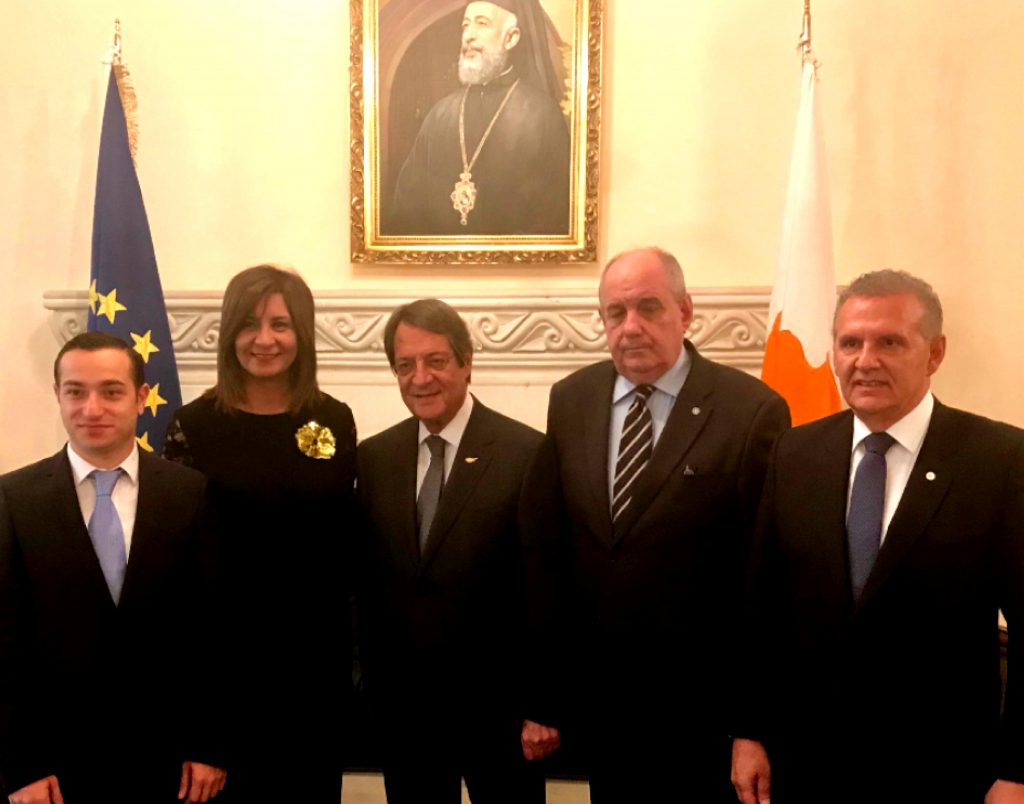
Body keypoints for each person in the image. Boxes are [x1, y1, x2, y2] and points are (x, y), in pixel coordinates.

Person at [731, 270, 1024, 804]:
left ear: (935, 353)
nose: (865, 361)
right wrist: (749, 732)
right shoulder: (794, 453)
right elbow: (762, 609)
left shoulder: (999, 459)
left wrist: (1017, 772)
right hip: (810, 765)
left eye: (889, 342)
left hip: (945, 771)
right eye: (850, 343)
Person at [521, 247, 790, 802]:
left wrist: (752, 724)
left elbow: (765, 580)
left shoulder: (750, 411)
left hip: (704, 717)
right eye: (615, 313)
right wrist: (546, 693)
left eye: (649, 307)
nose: (631, 327)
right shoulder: (571, 399)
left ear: (684, 311)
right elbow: (551, 552)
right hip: (604, 707)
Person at [0, 333, 226, 804]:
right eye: (75, 391)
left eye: (111, 391)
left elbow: (212, 630)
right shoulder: (13, 499)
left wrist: (208, 744)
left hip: (169, 763)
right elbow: (4, 640)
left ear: (141, 398)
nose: (92, 408)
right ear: (58, 395)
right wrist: (21, 764)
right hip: (55, 767)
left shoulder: (190, 493)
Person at [163, 265, 357, 804]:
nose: (264, 339)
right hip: (226, 670)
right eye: (249, 324)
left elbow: (343, 540)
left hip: (314, 668)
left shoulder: (334, 419)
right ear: (229, 333)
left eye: (280, 324)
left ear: (302, 334)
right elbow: (176, 567)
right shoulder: (193, 425)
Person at [357, 299, 558, 804]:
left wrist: (544, 706)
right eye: (405, 365)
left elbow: (549, 588)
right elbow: (369, 585)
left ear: (467, 362)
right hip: (405, 714)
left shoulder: (526, 454)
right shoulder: (374, 458)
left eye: (436, 361)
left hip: (502, 716)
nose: (420, 378)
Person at [385, 0, 570, 236]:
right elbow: (406, 209)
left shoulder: (543, 116)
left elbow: (554, 216)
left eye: (482, 24)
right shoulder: (439, 115)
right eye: (465, 25)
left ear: (511, 38)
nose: (469, 35)